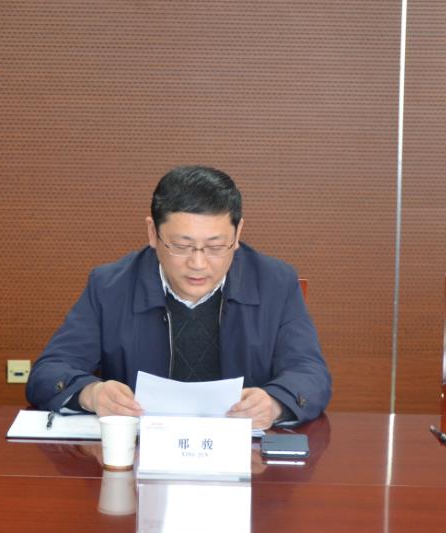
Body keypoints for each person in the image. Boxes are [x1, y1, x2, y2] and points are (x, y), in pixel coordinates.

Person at [26, 165, 331, 429]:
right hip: (141, 455)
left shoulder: (275, 283)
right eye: (181, 246)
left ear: (238, 234)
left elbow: (311, 374)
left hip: (243, 457)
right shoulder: (110, 286)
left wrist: (275, 403)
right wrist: (90, 394)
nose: (198, 263)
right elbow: (49, 371)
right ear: (153, 233)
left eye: (215, 247)